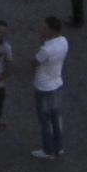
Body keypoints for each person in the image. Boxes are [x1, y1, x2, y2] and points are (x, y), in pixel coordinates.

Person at [30, 16, 68, 160]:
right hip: (57, 83)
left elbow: (34, 62)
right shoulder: (64, 41)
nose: (42, 29)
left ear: (51, 29)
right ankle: (59, 147)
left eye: (45, 27)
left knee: (45, 120)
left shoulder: (46, 49)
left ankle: (48, 150)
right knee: (56, 118)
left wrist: (42, 43)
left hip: (43, 86)